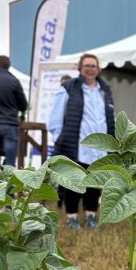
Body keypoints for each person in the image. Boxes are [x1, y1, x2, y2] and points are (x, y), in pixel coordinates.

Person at [49, 53, 115, 230]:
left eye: (93, 65)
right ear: (79, 67)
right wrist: (60, 140)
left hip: (99, 146)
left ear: (98, 68)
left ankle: (91, 216)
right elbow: (55, 118)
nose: (90, 68)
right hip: (76, 144)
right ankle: (72, 218)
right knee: (75, 182)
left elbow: (109, 117)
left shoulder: (104, 89)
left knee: (95, 182)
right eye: (86, 65)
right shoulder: (68, 87)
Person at [0, 55, 27, 170]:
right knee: (10, 161)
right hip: (9, 123)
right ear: (9, 65)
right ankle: (7, 187)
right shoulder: (14, 81)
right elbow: (23, 105)